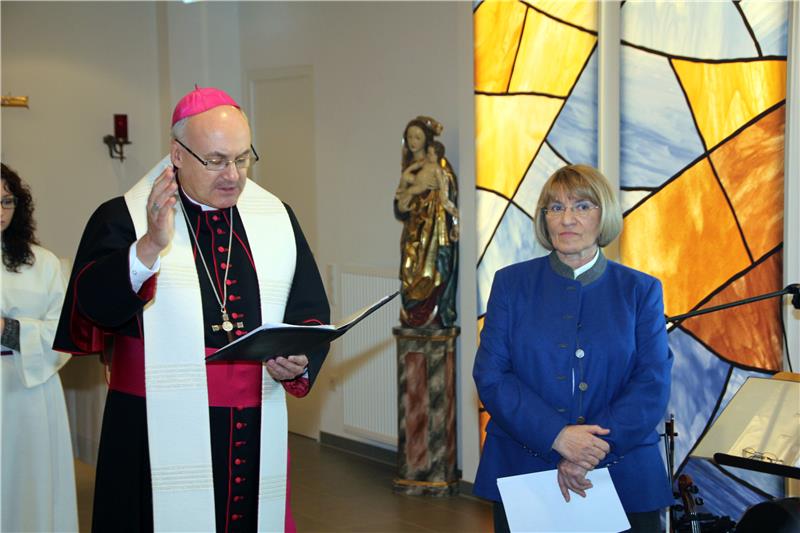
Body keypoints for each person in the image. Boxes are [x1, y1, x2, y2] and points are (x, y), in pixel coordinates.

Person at [53, 86, 330, 533]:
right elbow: (92, 309)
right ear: (177, 155)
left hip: (252, 425)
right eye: (216, 160)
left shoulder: (276, 217)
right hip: (150, 429)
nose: (233, 176)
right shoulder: (123, 217)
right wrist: (148, 248)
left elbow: (309, 310)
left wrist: (298, 360)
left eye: (243, 158)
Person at [473, 164, 673, 533]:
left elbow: (652, 381)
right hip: (526, 463)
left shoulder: (640, 290)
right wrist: (558, 436)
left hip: (622, 466)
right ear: (544, 219)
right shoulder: (511, 284)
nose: (567, 218)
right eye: (555, 207)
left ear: (604, 215)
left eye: (582, 206)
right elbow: (492, 373)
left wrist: (590, 450)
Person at [1, 163, 79, 532]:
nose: (0, 211)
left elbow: (63, 333)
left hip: (28, 387)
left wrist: (8, 330)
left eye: (7, 201)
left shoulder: (41, 263)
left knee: (29, 487)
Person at [394, 117, 458, 328]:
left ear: (426, 141)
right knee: (409, 271)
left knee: (434, 270)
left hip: (433, 231)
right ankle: (413, 313)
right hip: (414, 231)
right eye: (410, 136)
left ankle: (433, 316)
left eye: (418, 137)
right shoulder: (410, 167)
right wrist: (409, 194)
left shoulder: (440, 165)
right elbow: (399, 205)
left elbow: (448, 193)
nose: (413, 141)